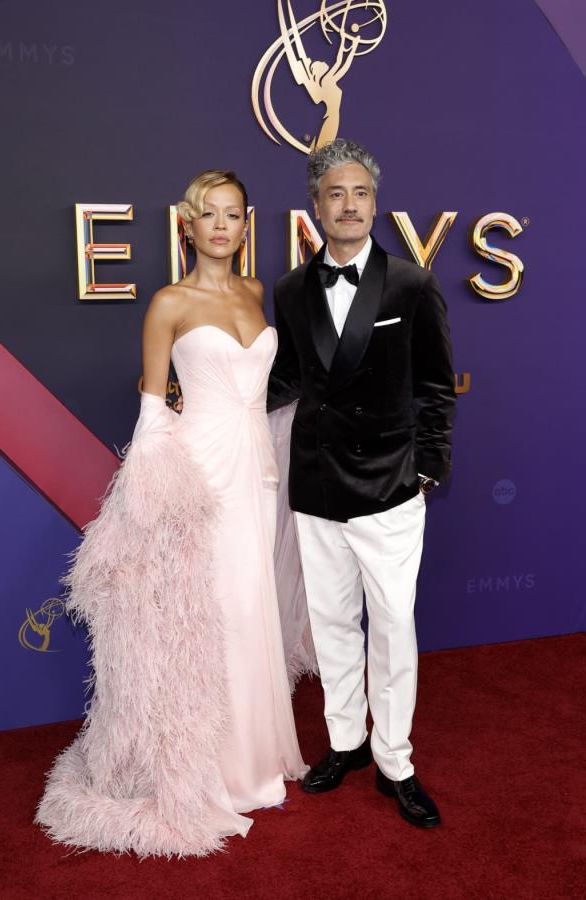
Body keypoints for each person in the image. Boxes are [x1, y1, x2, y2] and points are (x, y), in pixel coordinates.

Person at [36, 170, 308, 858]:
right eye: (208, 214)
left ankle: (255, 761)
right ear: (187, 225)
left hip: (255, 470)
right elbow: (154, 409)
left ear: (247, 225)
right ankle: (208, 771)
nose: (221, 225)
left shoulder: (254, 292)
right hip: (198, 475)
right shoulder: (168, 302)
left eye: (234, 214)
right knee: (202, 613)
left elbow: (264, 386)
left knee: (251, 605)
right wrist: (146, 504)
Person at [268, 139, 456, 828]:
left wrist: (428, 465)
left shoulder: (411, 284)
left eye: (361, 194)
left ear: (374, 205)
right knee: (332, 625)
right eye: (335, 194)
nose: (348, 206)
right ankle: (345, 742)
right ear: (315, 206)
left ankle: (395, 761)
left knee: (394, 627)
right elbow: (286, 377)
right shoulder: (290, 289)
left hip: (390, 485)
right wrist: (211, 401)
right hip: (316, 483)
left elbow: (436, 386)